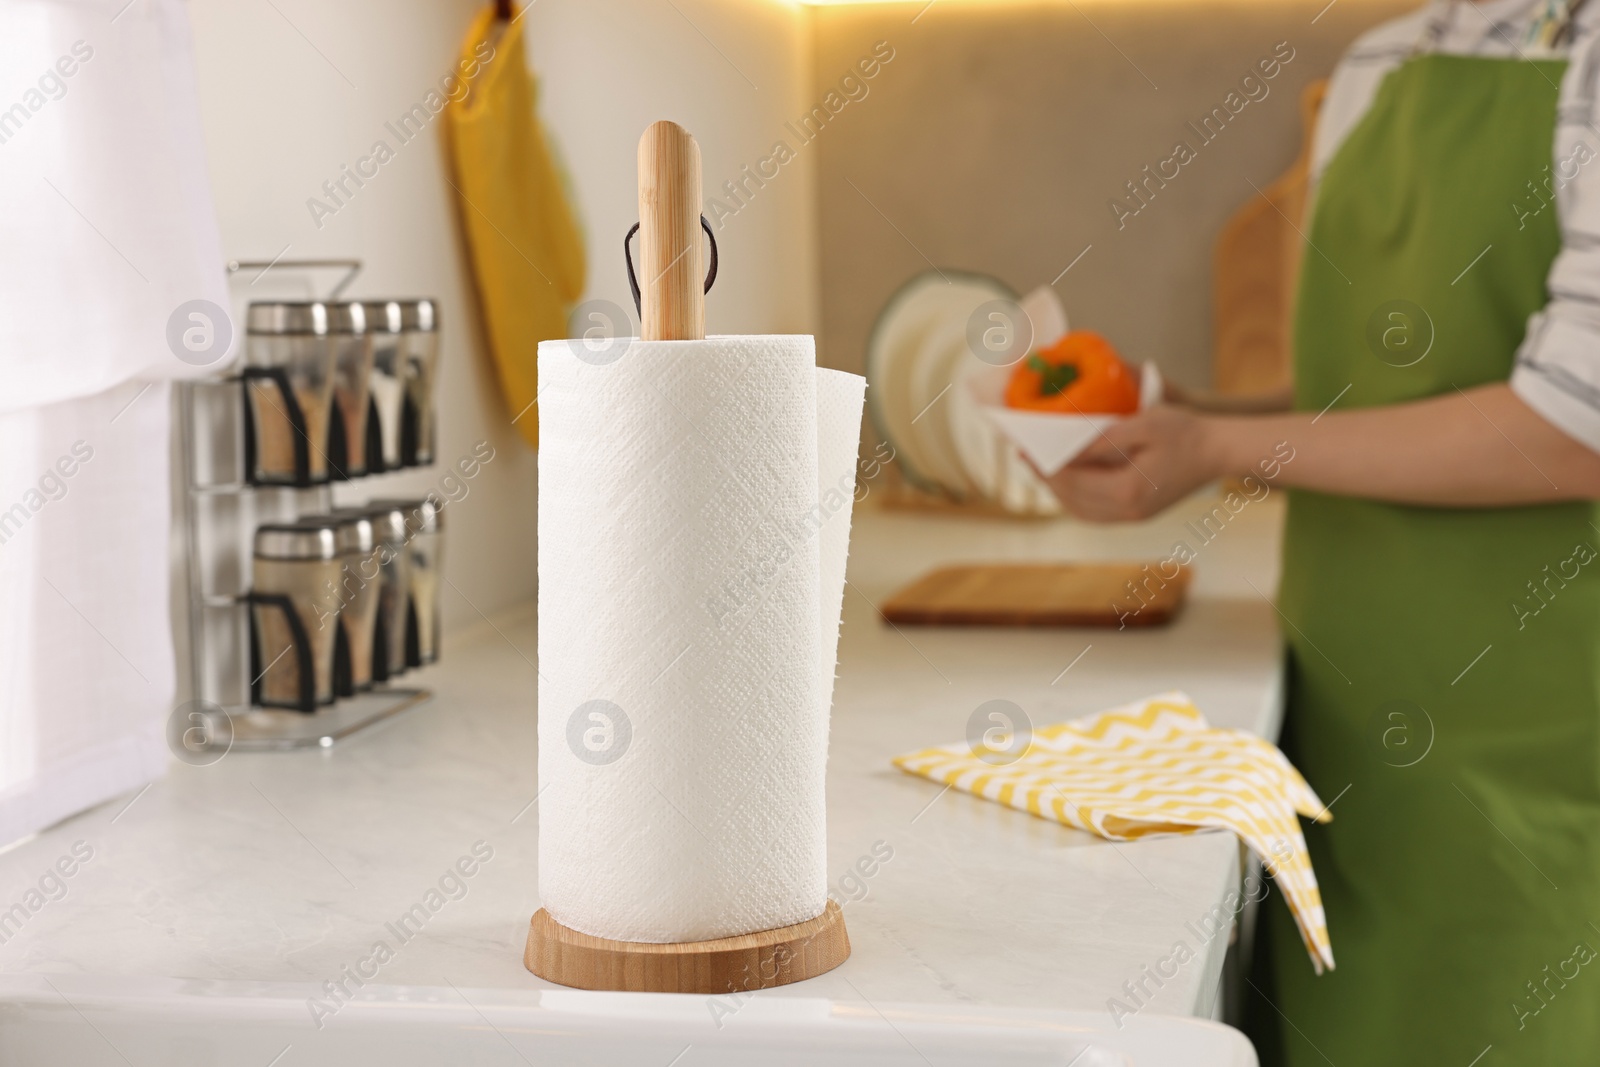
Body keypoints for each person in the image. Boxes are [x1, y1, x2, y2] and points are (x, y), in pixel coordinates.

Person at [1037, 1, 1600, 1063]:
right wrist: (1174, 423)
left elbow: (1573, 425)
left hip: (1530, 728)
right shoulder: (1378, 62)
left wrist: (1212, 446)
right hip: (1339, 705)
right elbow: (1360, 396)